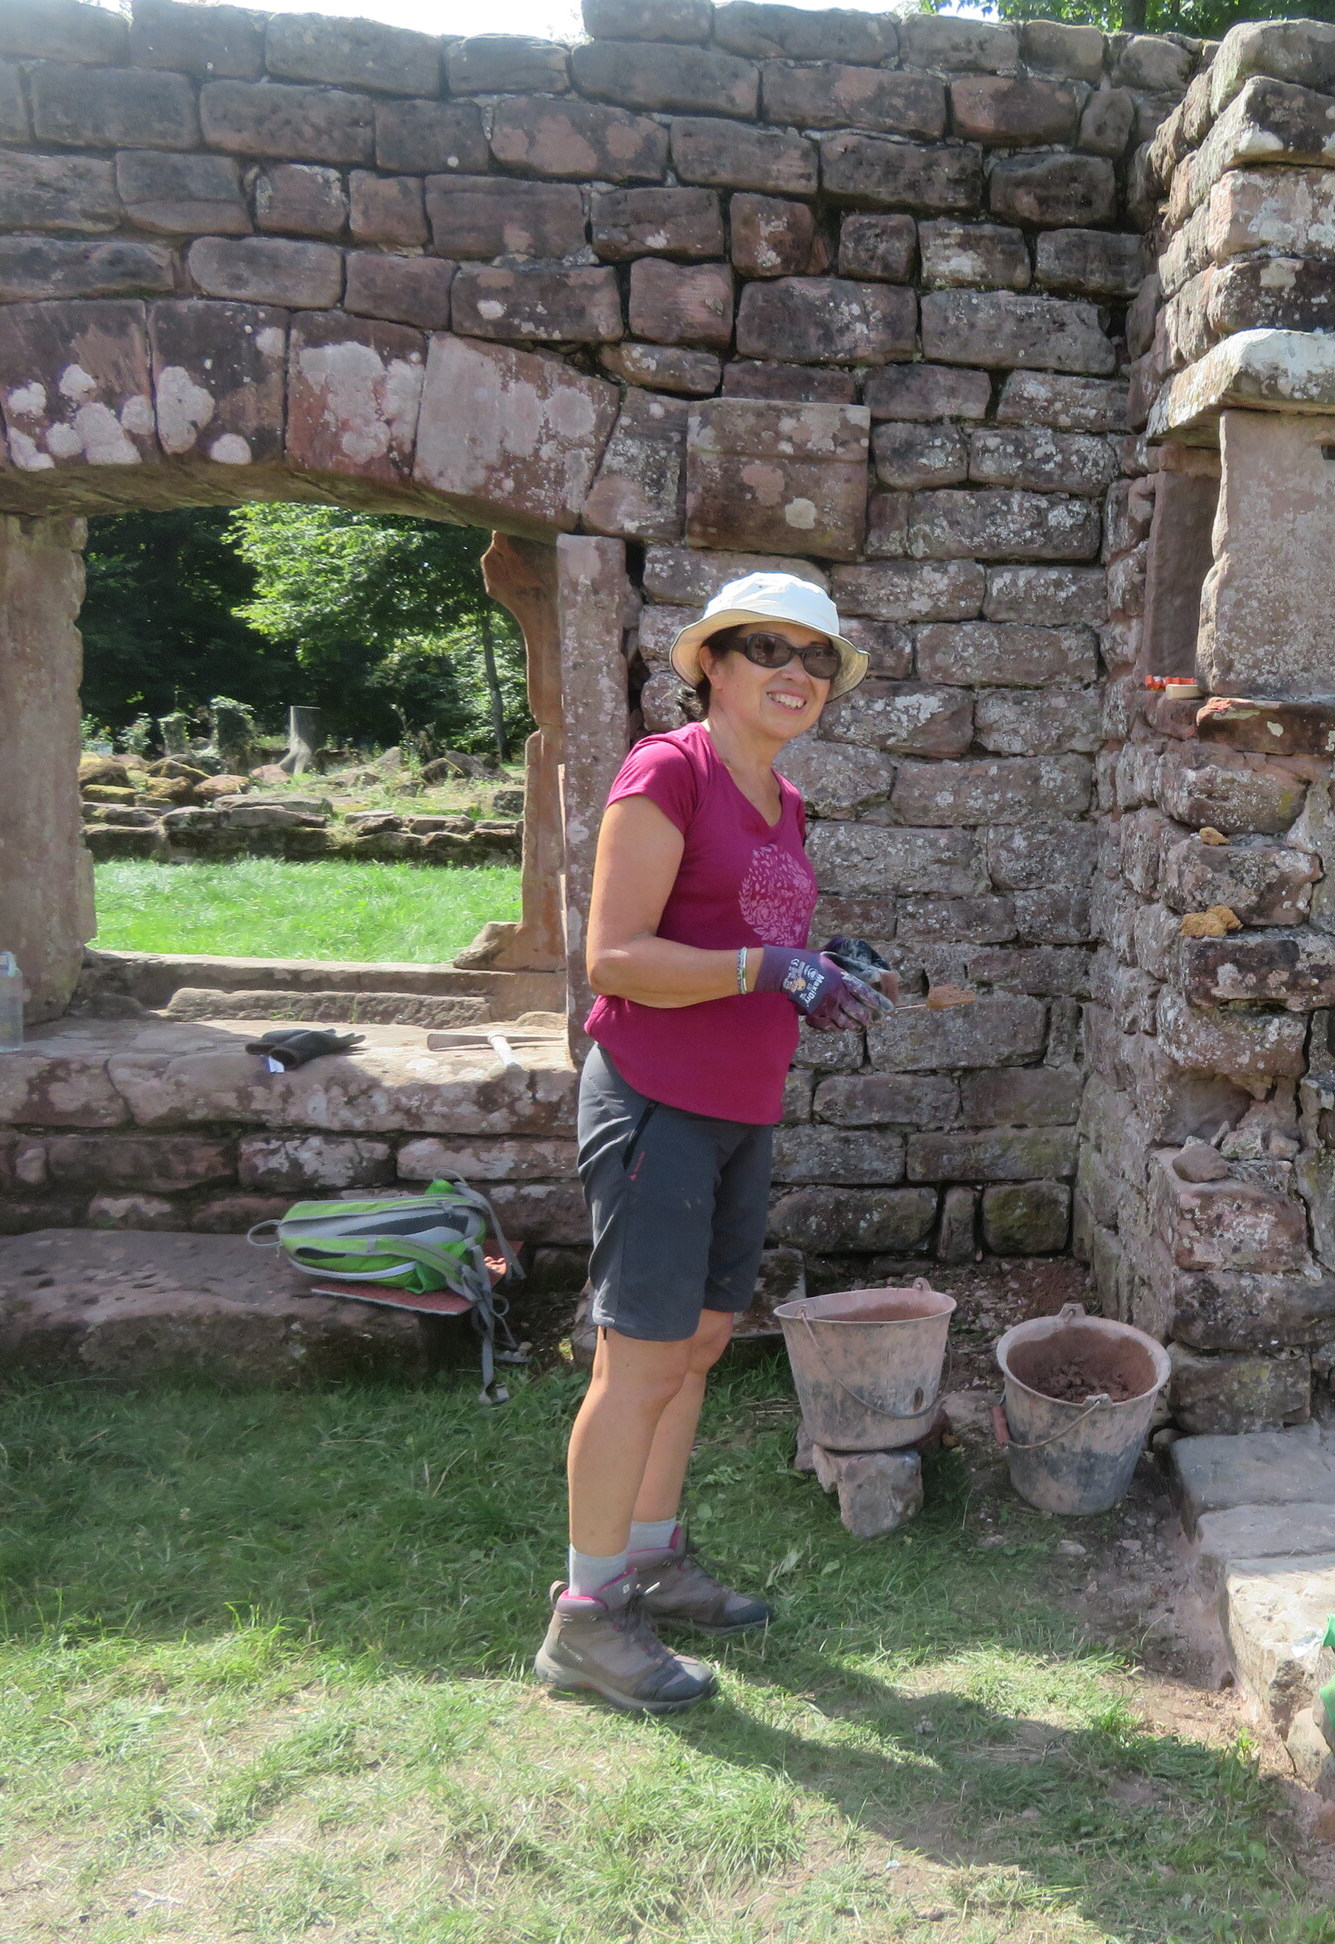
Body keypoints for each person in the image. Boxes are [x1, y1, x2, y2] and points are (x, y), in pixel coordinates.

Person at [534, 572, 891, 1713]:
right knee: (637, 1361)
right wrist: (767, 967)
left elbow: (749, 945)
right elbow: (616, 957)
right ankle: (585, 1616)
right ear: (714, 665)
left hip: (741, 1105)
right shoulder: (668, 771)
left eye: (818, 657)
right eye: (768, 648)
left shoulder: (782, 800)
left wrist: (818, 968)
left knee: (693, 1347)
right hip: (657, 1099)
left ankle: (650, 1557)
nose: (798, 671)